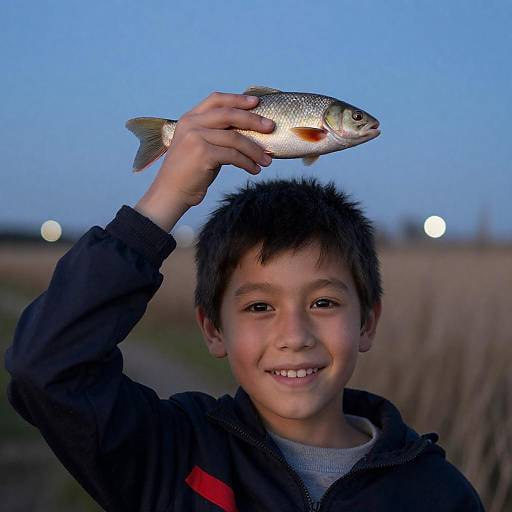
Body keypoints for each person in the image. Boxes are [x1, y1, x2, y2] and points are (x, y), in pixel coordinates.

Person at [4, 91, 484, 511]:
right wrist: (166, 198)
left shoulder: (437, 492)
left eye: (323, 303)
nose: (293, 336)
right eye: (259, 307)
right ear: (213, 328)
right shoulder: (172, 455)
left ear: (368, 322)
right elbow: (45, 365)